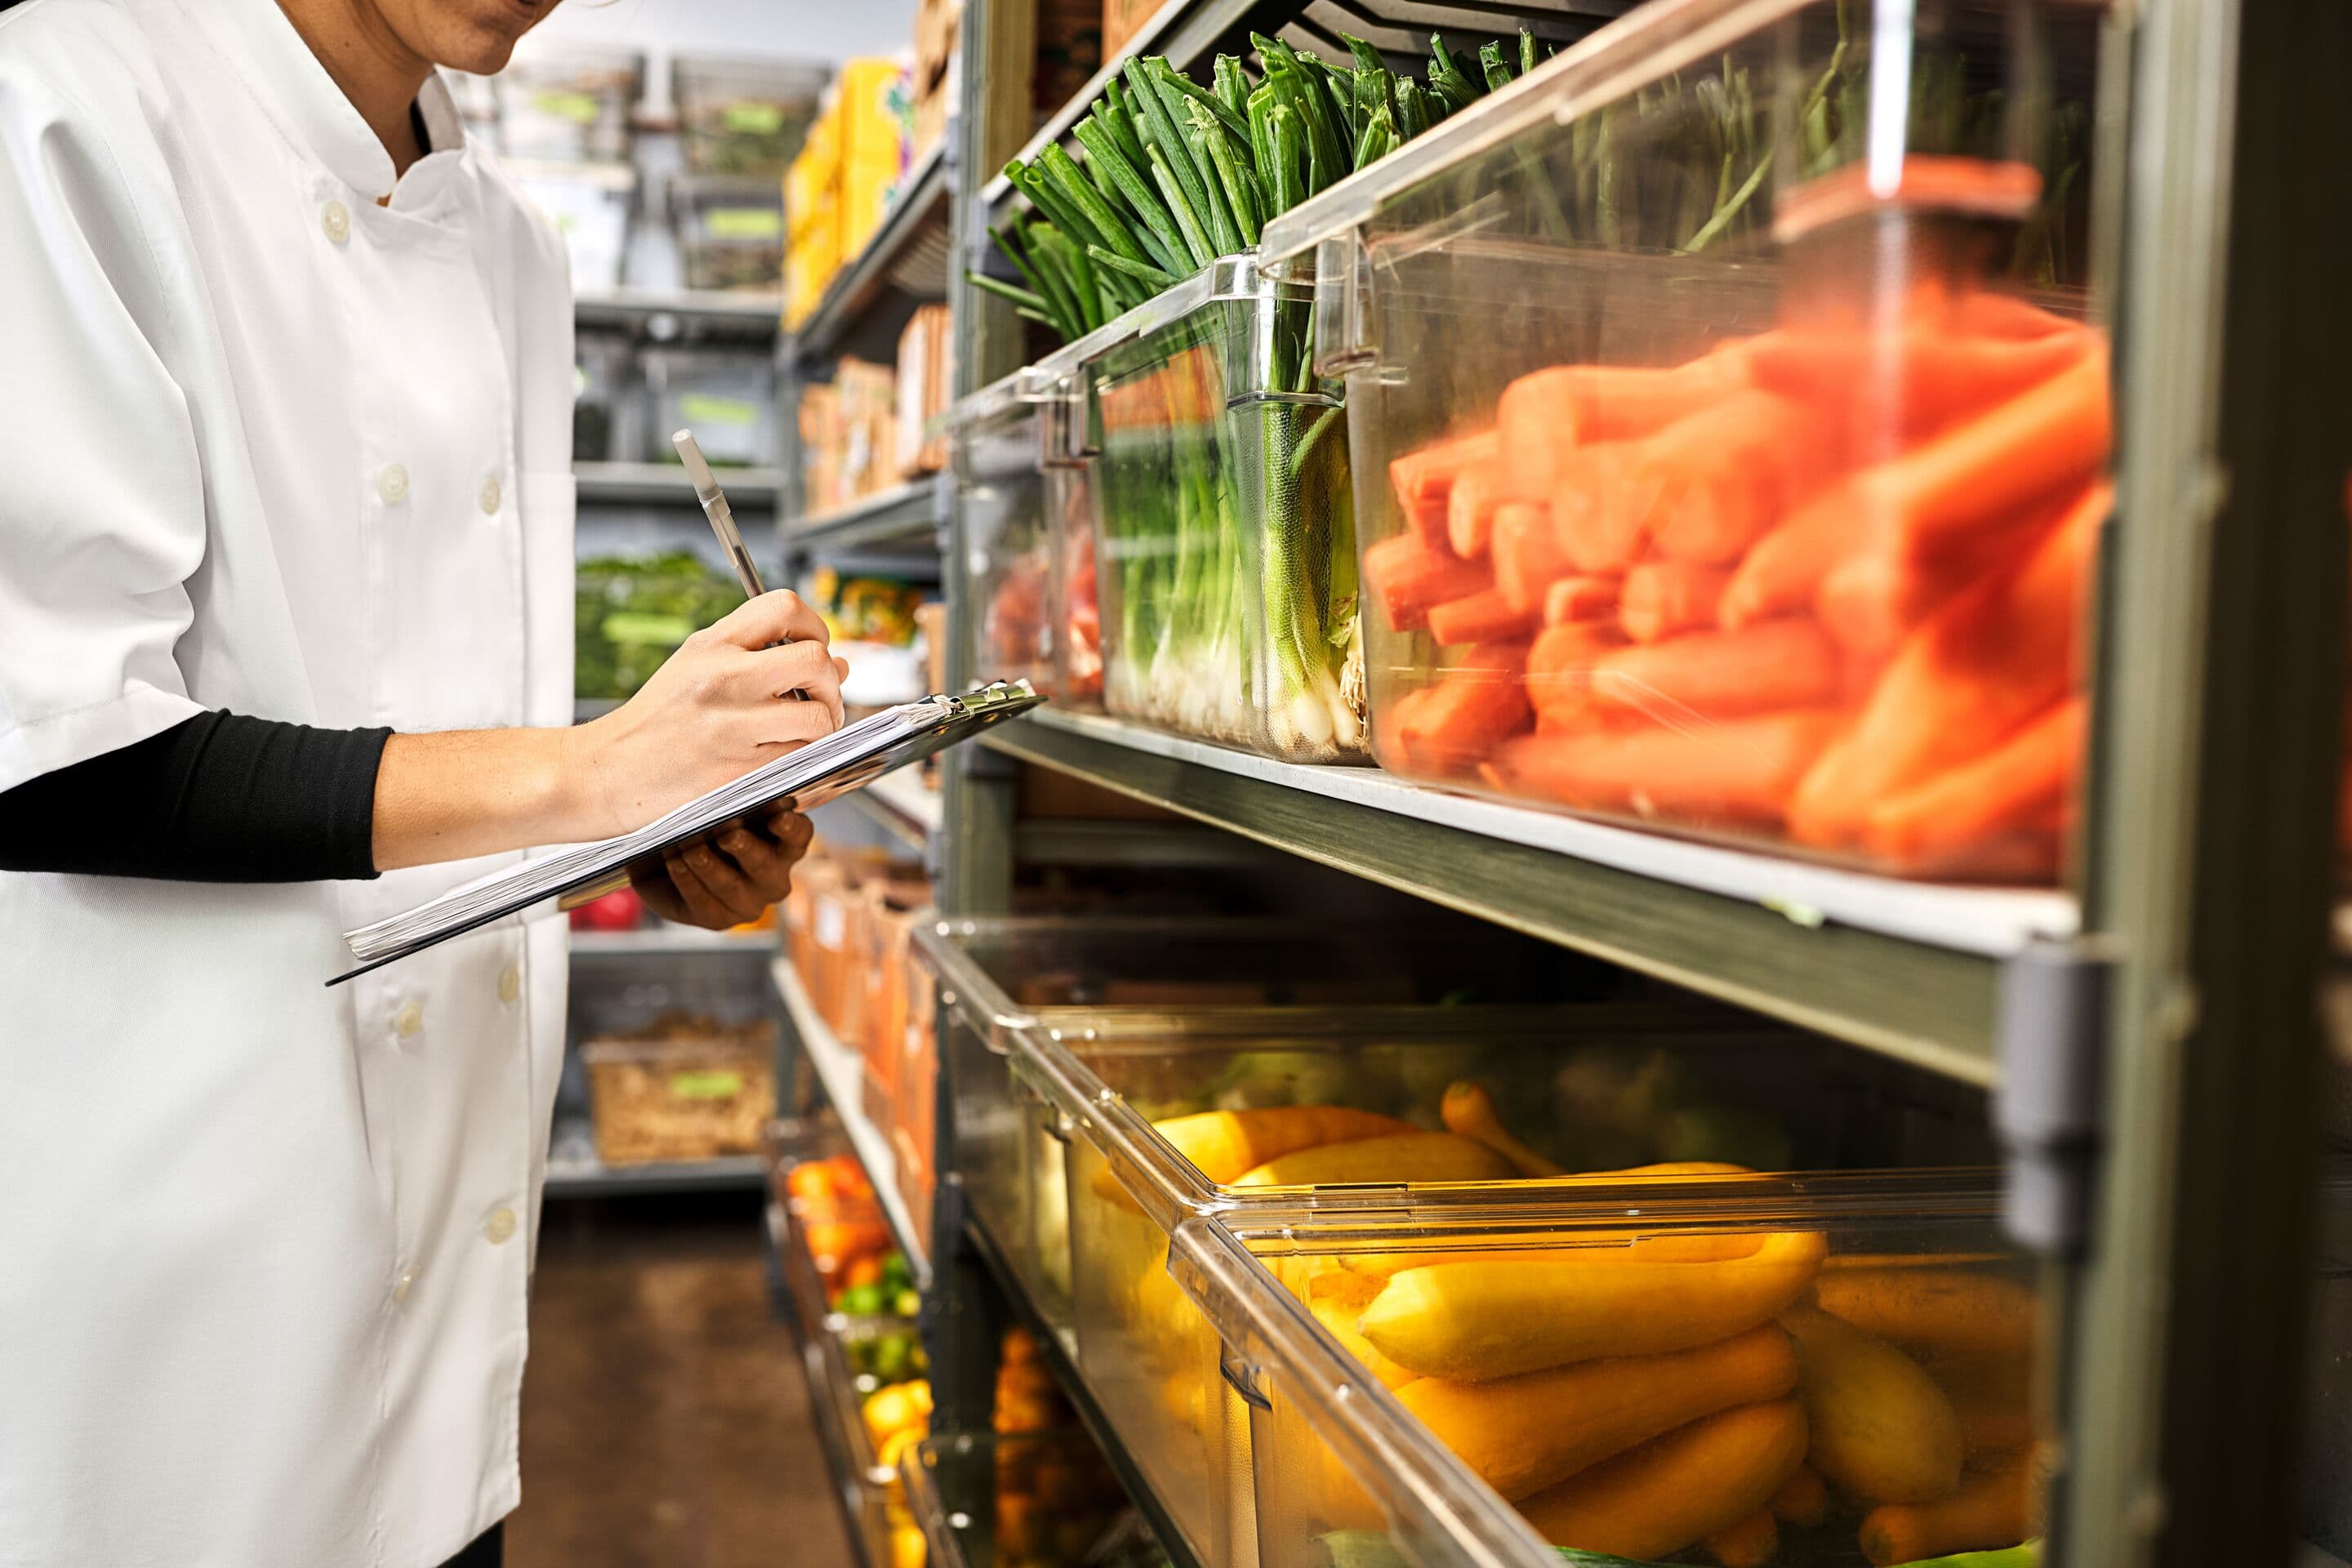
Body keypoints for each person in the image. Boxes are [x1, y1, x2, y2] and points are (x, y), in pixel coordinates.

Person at [0, 1, 842, 1564]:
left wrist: (648, 824)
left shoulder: (510, 246)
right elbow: (46, 759)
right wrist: (589, 772)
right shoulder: (70, 98)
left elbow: (423, 715)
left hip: (460, 1285)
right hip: (182, 1298)